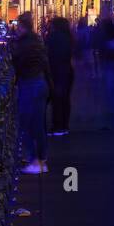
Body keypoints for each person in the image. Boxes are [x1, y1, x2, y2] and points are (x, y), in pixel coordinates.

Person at [10, 12, 53, 173]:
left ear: (22, 27)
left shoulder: (23, 44)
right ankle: (42, 159)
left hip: (29, 83)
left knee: (26, 123)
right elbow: (44, 62)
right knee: (38, 124)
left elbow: (18, 63)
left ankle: (34, 160)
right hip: (40, 82)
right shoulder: (37, 40)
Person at [45, 16, 74, 137]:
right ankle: (64, 125)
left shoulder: (53, 37)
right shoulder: (68, 37)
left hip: (56, 71)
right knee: (64, 99)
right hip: (66, 70)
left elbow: (49, 53)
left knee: (56, 99)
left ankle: (57, 126)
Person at [99, 18, 114, 131]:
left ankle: (113, 112)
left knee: (111, 90)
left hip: (111, 65)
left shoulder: (106, 39)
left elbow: (103, 53)